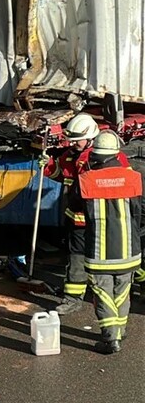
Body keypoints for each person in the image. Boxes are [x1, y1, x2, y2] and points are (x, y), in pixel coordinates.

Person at [42, 114, 127, 314]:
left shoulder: (109, 157)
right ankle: (72, 299)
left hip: (102, 220)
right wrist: (49, 165)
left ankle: (123, 289)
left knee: (113, 260)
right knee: (76, 260)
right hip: (77, 220)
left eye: (77, 140)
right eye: (71, 139)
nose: (72, 143)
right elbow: (62, 177)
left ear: (91, 138)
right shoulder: (70, 155)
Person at [78, 131, 142, 354]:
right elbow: (137, 213)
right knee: (123, 291)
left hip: (99, 250)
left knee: (102, 292)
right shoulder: (133, 178)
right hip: (128, 249)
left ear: (96, 155)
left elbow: (78, 209)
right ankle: (120, 330)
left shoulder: (86, 180)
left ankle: (110, 338)